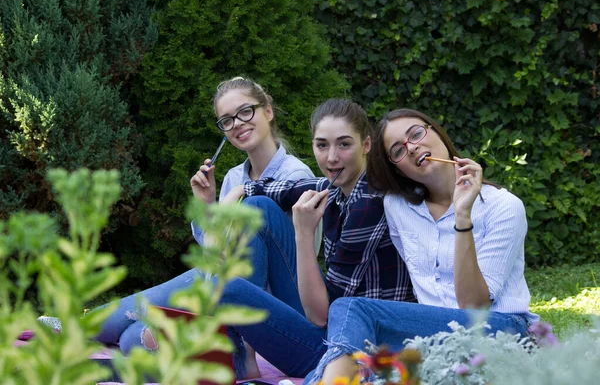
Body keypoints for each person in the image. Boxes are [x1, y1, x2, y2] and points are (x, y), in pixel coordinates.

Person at [93, 77, 316, 371]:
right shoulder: (235, 176)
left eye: (245, 112)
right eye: (226, 120)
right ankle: (77, 324)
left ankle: (241, 353)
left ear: (268, 111)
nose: (237, 124)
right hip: (222, 290)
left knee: (253, 210)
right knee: (133, 339)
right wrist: (208, 204)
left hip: (277, 304)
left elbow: (284, 262)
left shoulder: (296, 175)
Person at [306, 108, 539, 384]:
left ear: (436, 131)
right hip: (434, 338)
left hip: (500, 331)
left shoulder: (502, 206)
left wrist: (462, 215)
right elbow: (310, 185)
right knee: (365, 358)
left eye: (416, 133)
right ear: (397, 167)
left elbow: (474, 306)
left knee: (350, 309)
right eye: (398, 151)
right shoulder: (397, 208)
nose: (412, 147)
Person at [218, 99, 414, 379]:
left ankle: (237, 356)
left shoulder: (370, 202)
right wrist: (238, 191)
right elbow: (280, 189)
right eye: (322, 145)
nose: (331, 157)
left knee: (229, 290)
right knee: (259, 208)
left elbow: (322, 316)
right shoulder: (336, 188)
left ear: (366, 145)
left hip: (352, 349)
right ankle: (242, 356)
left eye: (344, 145)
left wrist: (303, 232)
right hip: (334, 326)